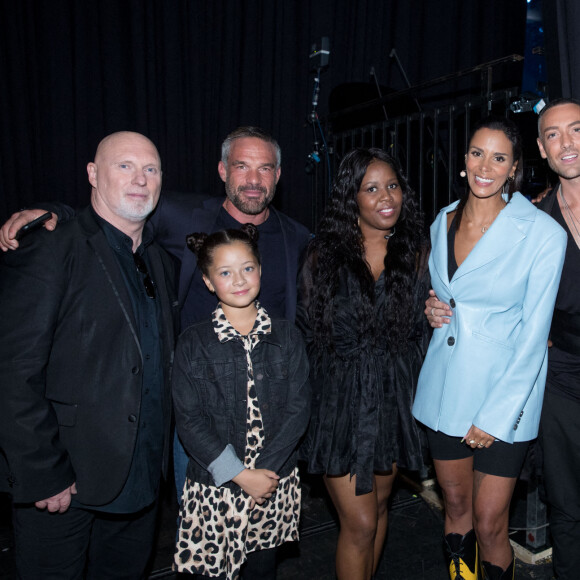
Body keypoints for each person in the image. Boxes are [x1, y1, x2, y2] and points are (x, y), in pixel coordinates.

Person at [0, 126, 311, 498]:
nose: (254, 180)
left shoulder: (297, 238)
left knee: (262, 540)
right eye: (242, 166)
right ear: (223, 170)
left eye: (265, 168)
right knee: (204, 534)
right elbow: (114, 210)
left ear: (278, 175)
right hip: (199, 419)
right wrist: (53, 213)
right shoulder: (182, 216)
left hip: (273, 416)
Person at [0, 131, 177, 579]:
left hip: (139, 485)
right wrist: (45, 473)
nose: (140, 179)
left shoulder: (160, 260)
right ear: (93, 175)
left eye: (151, 169)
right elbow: (13, 370)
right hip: (65, 486)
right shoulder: (51, 245)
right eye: (125, 166)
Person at [413, 116, 567, 580]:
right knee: (456, 509)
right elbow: (450, 296)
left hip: (505, 399)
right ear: (464, 161)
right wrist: (433, 309)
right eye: (477, 153)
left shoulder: (542, 234)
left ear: (514, 167)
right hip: (446, 390)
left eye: (499, 157)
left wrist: (495, 416)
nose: (485, 166)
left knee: (489, 521)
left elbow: (534, 336)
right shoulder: (442, 220)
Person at [296, 148, 430, 580]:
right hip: (338, 406)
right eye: (371, 188)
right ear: (351, 197)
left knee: (379, 510)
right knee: (360, 523)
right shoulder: (322, 255)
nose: (385, 196)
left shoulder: (417, 252)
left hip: (393, 400)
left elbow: (430, 323)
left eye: (392, 185)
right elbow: (307, 334)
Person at [171, 224, 310, 579]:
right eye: (225, 272)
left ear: (260, 270)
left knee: (261, 571)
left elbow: (298, 409)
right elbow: (189, 420)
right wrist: (240, 475)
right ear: (207, 281)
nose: (239, 279)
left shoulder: (288, 337)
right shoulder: (192, 343)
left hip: (271, 481)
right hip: (215, 486)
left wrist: (263, 475)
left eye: (247, 268)